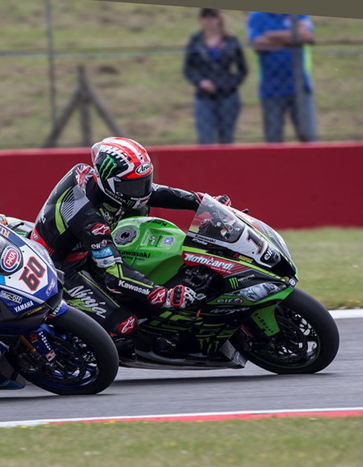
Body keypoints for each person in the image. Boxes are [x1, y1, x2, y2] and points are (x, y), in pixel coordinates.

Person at [30, 137, 231, 359]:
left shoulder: (104, 184)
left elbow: (153, 193)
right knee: (123, 327)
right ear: (110, 183)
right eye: (134, 186)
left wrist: (201, 202)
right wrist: (160, 294)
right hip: (60, 268)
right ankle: (69, 353)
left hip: (88, 247)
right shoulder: (89, 219)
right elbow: (113, 273)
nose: (142, 190)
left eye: (144, 181)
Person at [247, 12, 317, 142]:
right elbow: (257, 44)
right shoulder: (257, 16)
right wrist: (292, 38)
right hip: (271, 90)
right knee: (273, 141)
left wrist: (271, 36)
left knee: (309, 139)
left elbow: (306, 36)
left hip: (300, 87)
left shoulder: (298, 13)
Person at [183, 8, 248, 144]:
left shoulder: (230, 41)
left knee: (226, 138)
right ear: (201, 20)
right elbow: (188, 69)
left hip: (228, 96)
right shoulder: (196, 41)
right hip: (204, 96)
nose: (209, 21)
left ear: (218, 19)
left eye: (212, 17)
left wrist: (229, 83)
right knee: (205, 138)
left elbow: (242, 69)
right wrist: (200, 82)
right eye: (205, 18)